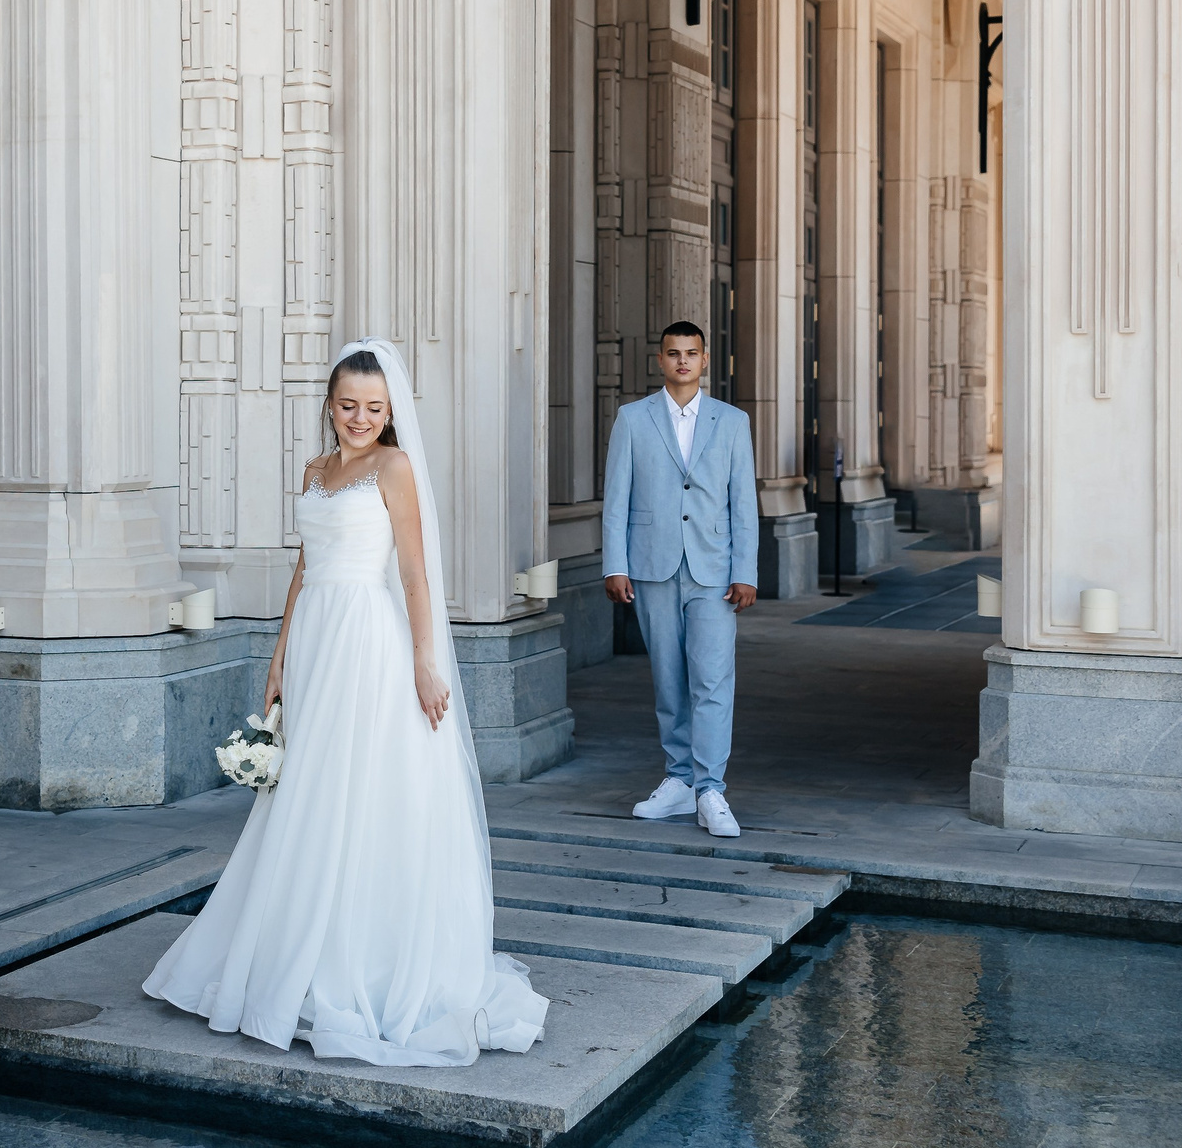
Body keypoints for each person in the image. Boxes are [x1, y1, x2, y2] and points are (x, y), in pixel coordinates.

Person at [144, 339, 550, 1067]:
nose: (359, 418)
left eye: (374, 408)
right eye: (347, 405)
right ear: (329, 405)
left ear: (390, 412)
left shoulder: (394, 468)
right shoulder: (317, 470)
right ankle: (293, 948)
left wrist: (426, 662)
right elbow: (304, 569)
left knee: (363, 792)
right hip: (317, 646)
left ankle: (356, 960)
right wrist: (278, 654)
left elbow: (418, 575)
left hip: (370, 642)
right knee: (308, 792)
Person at [602, 322, 760, 839]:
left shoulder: (733, 422)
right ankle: (678, 781)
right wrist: (615, 564)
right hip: (652, 566)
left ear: (705, 359)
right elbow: (617, 498)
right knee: (668, 679)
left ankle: (711, 789)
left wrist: (746, 571)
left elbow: (743, 504)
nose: (683, 362)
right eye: (674, 354)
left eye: (692, 353)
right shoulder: (632, 418)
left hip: (715, 571)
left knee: (713, 680)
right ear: (660, 359)